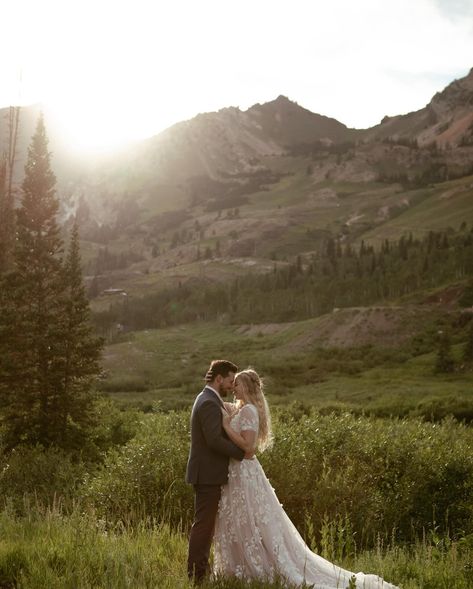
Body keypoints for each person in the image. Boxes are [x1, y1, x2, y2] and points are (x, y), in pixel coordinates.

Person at [213, 368, 399, 589]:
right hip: (235, 474)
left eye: (238, 384)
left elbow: (249, 449)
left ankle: (257, 569)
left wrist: (225, 426)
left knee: (254, 522)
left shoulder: (250, 411)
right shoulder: (241, 408)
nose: (234, 387)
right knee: (241, 521)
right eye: (232, 384)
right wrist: (214, 392)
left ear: (248, 388)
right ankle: (236, 569)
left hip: (245, 473)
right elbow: (217, 403)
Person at [186, 359, 250, 584]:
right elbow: (213, 440)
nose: (232, 386)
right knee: (204, 525)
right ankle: (197, 576)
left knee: (205, 524)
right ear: (219, 379)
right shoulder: (209, 403)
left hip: (207, 472)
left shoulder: (209, 399)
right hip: (207, 474)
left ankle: (199, 571)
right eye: (230, 381)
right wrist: (241, 452)